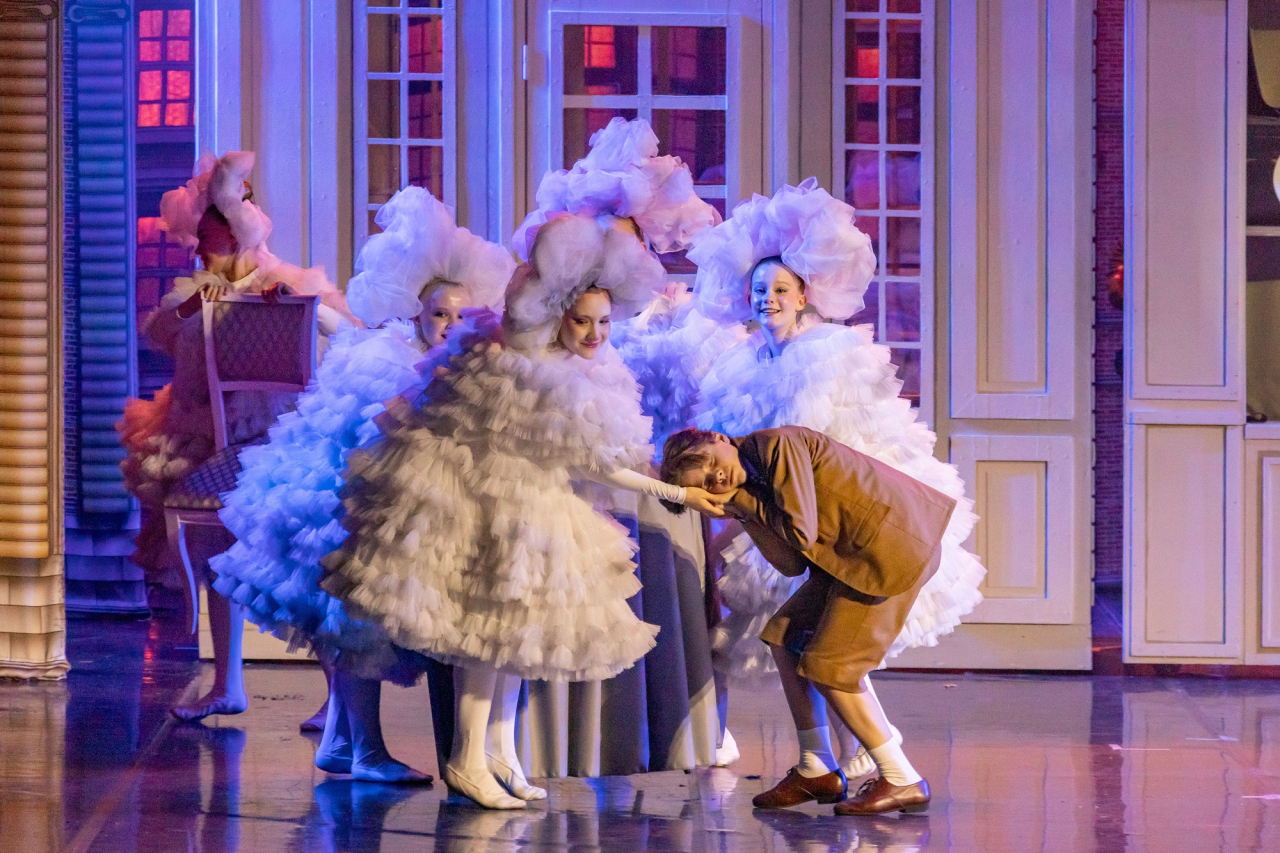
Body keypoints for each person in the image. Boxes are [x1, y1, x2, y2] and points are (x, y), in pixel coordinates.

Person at [320, 213, 728, 808]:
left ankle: (498, 755)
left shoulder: (582, 366)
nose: (595, 333)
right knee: (490, 635)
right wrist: (677, 493)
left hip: (538, 504)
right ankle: (466, 758)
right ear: (558, 315)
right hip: (497, 507)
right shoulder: (532, 367)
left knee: (517, 639)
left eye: (603, 322)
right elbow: (592, 462)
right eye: (582, 321)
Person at [209, 187, 513, 782]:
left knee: (369, 613)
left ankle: (342, 743)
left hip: (411, 506)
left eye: (459, 315)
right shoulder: (386, 358)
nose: (450, 326)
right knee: (357, 613)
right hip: (355, 507)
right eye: (439, 315)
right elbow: (366, 439)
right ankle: (365, 749)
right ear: (417, 315)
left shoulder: (466, 361)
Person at [688, 179, 985, 779]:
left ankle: (871, 752)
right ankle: (822, 756)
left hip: (834, 511)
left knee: (831, 641)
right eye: (760, 291)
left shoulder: (825, 353)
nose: (768, 300)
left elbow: (838, 444)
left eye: (780, 290)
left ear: (803, 296)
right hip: (783, 510)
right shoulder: (741, 364)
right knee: (794, 638)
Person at [512, 116, 743, 775]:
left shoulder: (674, 321)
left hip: (648, 475)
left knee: (679, 577)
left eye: (629, 243)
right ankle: (574, 738)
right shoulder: (569, 334)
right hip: (594, 478)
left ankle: (682, 726)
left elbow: (687, 408)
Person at [117, 151, 355, 722]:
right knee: (216, 549)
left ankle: (338, 699)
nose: (202, 251)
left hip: (283, 438)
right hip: (213, 435)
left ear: (239, 237)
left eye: (213, 240)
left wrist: (294, 306)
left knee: (305, 561)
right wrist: (193, 309)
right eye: (200, 240)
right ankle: (227, 684)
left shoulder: (283, 280)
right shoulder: (198, 291)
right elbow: (160, 332)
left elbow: (345, 330)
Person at [659, 425, 953, 815]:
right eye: (707, 484)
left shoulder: (776, 446)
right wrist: (741, 511)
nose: (718, 478)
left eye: (713, 463)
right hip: (856, 558)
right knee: (785, 636)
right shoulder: (751, 487)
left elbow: (800, 533)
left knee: (832, 668)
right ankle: (817, 767)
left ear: (720, 439)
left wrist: (741, 502)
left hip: (890, 549)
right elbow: (791, 564)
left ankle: (902, 777)